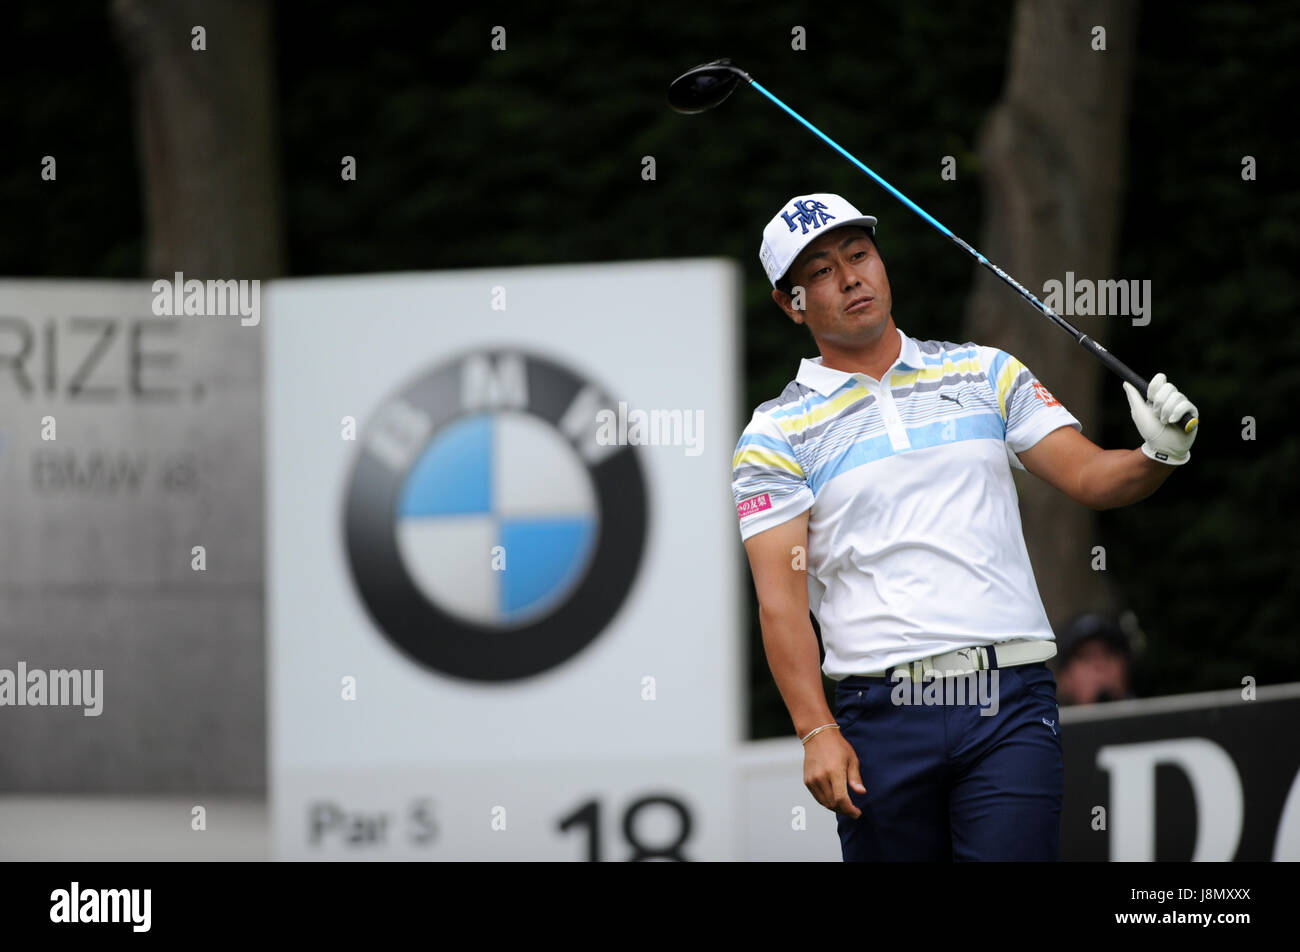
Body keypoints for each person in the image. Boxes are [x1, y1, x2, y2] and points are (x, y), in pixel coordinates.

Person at [731, 193, 1198, 861]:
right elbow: (780, 604)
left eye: (859, 256)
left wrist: (1159, 454)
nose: (852, 278)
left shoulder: (984, 372)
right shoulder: (773, 435)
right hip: (881, 714)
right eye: (823, 272)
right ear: (791, 303)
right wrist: (815, 730)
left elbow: (1094, 478)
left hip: (1009, 701)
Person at [1052, 611, 1137, 704]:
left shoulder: (1151, 715)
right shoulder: (1045, 717)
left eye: (1109, 653)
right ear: (1063, 678)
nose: (1100, 665)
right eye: (1086, 657)